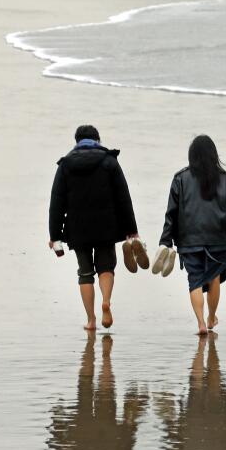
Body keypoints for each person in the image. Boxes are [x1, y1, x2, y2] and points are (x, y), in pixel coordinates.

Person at [49, 124, 140, 332]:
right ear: (97, 140)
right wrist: (131, 230)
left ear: (77, 142)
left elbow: (56, 204)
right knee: (106, 267)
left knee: (85, 273)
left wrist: (55, 236)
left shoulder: (65, 165)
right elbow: (123, 198)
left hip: (77, 229)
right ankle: (106, 301)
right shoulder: (109, 161)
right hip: (106, 226)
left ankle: (91, 320)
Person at [159, 135, 226, 335]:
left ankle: (201, 324)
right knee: (214, 278)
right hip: (219, 239)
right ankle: (212, 317)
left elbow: (172, 212)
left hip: (189, 241)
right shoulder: (225, 179)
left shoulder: (180, 178)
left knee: (194, 279)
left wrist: (166, 240)